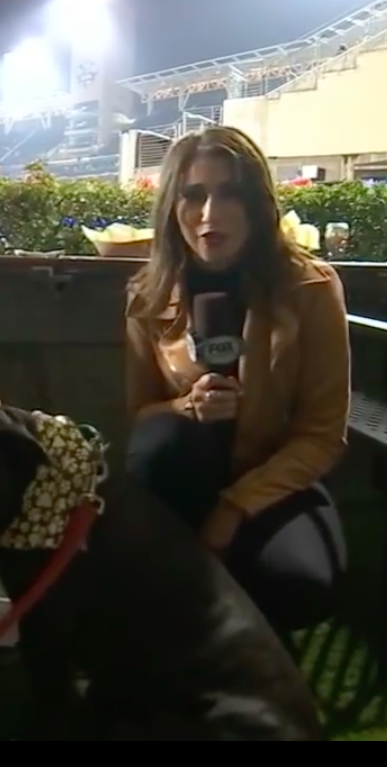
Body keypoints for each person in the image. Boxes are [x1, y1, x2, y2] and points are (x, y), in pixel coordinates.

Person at [122, 127, 349, 635]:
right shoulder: (147, 296)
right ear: (173, 206)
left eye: (228, 193)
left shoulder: (310, 287)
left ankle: (214, 597)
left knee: (302, 585)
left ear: (256, 203)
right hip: (184, 477)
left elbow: (322, 435)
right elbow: (140, 418)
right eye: (194, 195)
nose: (209, 214)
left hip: (272, 484)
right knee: (160, 439)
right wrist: (187, 407)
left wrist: (234, 507)